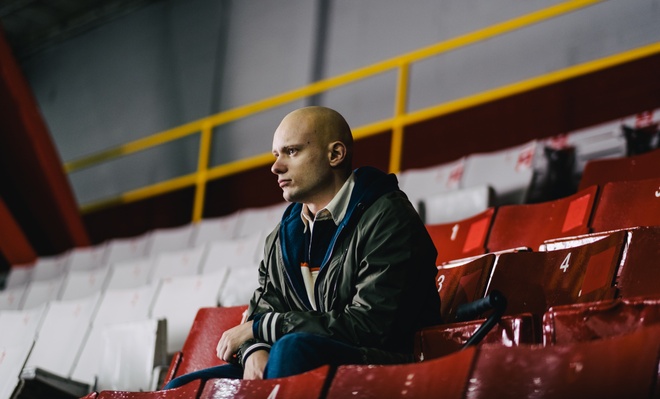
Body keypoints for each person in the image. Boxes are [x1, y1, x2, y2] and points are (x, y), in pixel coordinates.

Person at [164, 106, 441, 388]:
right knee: (179, 390)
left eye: (291, 152)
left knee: (291, 350)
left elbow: (370, 326)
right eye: (276, 155)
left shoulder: (387, 216)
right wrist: (253, 350)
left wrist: (265, 329)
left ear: (335, 154)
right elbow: (261, 310)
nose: (276, 167)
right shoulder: (283, 236)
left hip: (387, 367)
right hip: (302, 362)